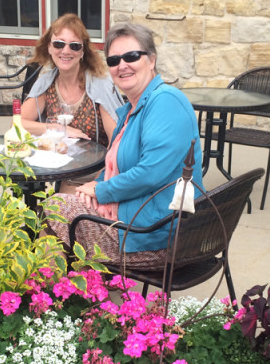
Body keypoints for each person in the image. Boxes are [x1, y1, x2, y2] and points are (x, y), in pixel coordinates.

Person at [47, 23, 203, 269]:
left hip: (155, 235)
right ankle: (70, 292)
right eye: (114, 60)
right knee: (68, 201)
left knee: (55, 209)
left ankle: (47, 295)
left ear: (151, 60)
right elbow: (116, 164)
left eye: (131, 56)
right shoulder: (133, 109)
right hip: (137, 218)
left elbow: (151, 173)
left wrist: (100, 191)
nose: (122, 65)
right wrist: (94, 186)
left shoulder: (166, 102)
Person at [22, 14, 122, 147]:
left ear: (82, 52)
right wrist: (58, 128)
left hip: (96, 165)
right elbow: (18, 124)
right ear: (49, 48)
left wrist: (103, 168)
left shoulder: (100, 85)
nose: (66, 51)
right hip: (56, 162)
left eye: (74, 46)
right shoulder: (46, 83)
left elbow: (116, 141)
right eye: (59, 44)